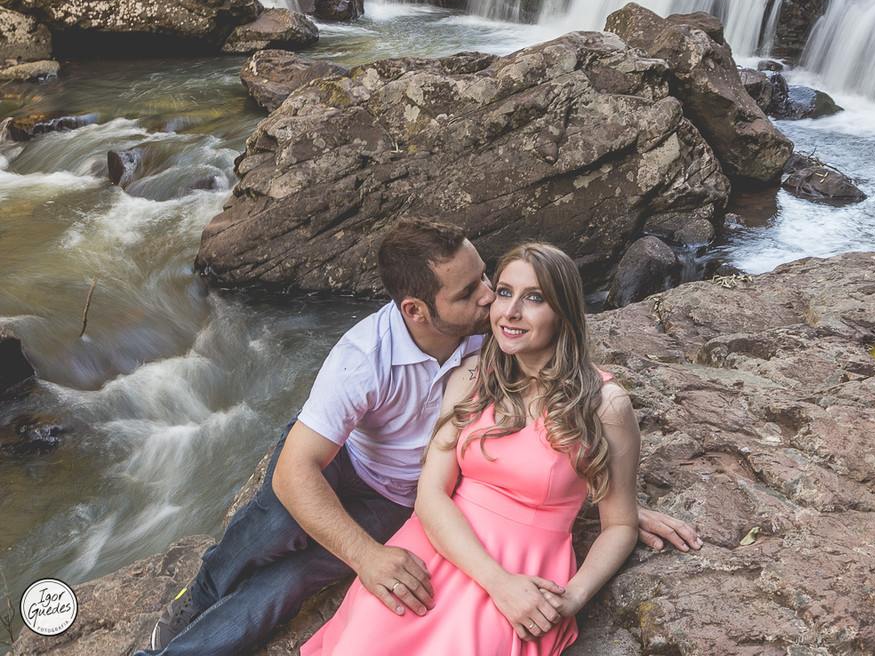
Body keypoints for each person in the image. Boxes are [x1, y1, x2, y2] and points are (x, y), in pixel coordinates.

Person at [141, 217, 699, 656]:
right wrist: (366, 558)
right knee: (264, 532)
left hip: (404, 499)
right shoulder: (366, 358)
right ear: (418, 310)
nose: (490, 299)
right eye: (477, 291)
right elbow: (294, 472)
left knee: (293, 580)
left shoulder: (493, 338)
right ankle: (201, 597)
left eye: (489, 279)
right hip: (350, 466)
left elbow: (552, 430)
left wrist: (605, 495)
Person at [302, 242, 638, 655]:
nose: (510, 312)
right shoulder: (470, 377)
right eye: (503, 292)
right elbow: (430, 494)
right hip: (437, 546)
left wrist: (572, 597)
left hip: (527, 569)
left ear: (563, 310)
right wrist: (495, 581)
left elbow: (620, 524)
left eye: (534, 298)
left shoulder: (606, 405)